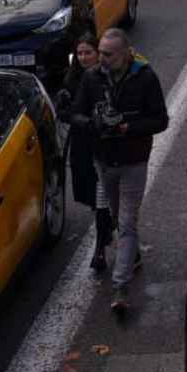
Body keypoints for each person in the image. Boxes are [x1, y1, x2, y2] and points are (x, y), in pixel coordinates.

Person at [71, 28, 169, 312]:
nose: (101, 59)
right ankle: (133, 256)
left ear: (126, 53)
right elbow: (76, 113)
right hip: (104, 161)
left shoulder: (145, 78)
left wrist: (128, 127)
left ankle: (120, 287)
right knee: (117, 218)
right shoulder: (91, 79)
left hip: (133, 161)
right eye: (100, 53)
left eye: (108, 54)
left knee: (127, 222)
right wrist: (93, 124)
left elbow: (161, 120)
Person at [61, 33, 116, 272]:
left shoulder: (109, 78)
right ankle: (107, 238)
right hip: (83, 147)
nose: (83, 58)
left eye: (88, 52)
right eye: (80, 53)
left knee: (106, 198)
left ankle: (101, 247)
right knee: (96, 201)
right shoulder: (72, 79)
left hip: (107, 149)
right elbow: (65, 113)